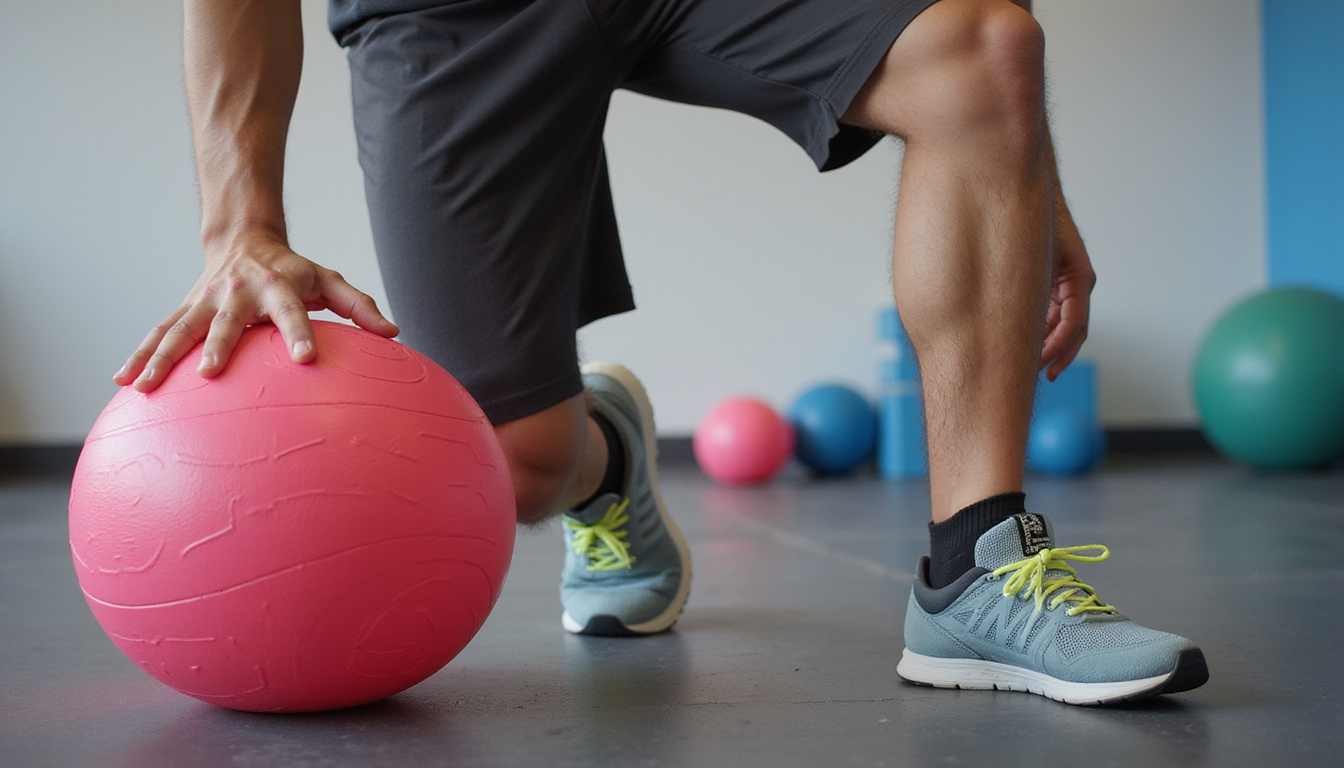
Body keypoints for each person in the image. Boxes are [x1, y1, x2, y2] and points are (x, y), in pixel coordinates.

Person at [115, 0, 1207, 705]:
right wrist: (241, 225)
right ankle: (608, 463)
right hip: (451, 14)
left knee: (985, 44)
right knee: (513, 467)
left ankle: (975, 574)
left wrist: (1017, 145)